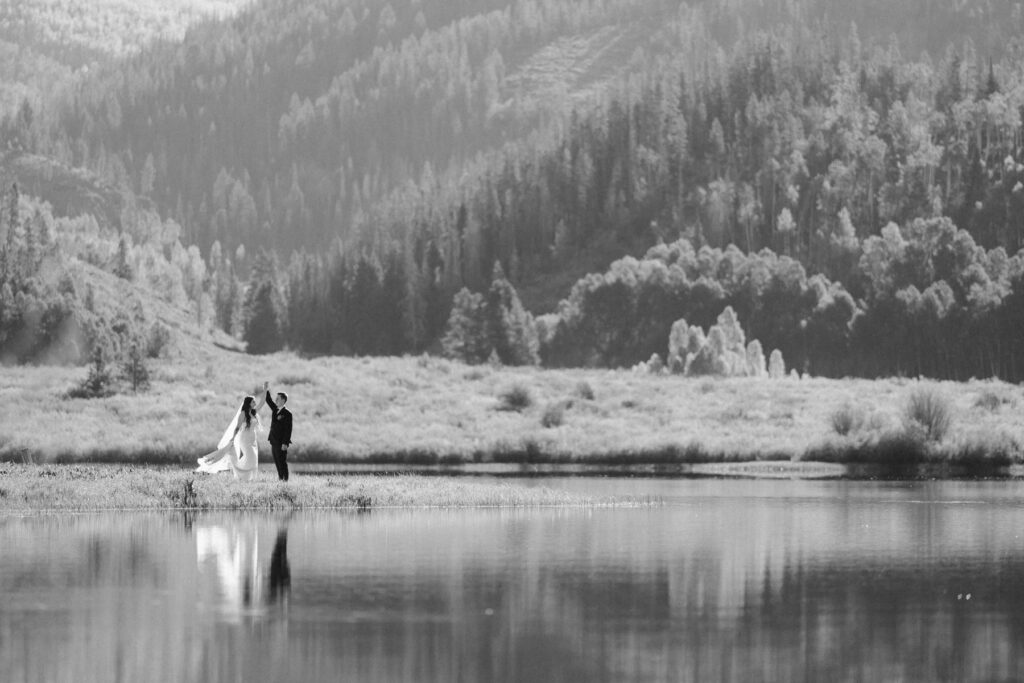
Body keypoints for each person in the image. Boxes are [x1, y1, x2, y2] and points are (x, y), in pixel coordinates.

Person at [195, 393, 265, 481]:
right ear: (248, 403)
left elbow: (262, 402)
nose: (255, 403)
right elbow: (237, 427)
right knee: (251, 456)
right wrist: (233, 438)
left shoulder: (253, 412)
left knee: (253, 458)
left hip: (253, 440)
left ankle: (250, 478)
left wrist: (265, 389)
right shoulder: (243, 414)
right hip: (245, 439)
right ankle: (243, 477)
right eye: (253, 401)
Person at [265, 381, 293, 481]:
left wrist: (285, 443)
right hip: (273, 440)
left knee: (282, 462)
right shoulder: (275, 409)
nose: (276, 400)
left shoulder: (287, 413)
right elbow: (268, 400)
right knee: (277, 461)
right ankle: (280, 478)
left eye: (278, 398)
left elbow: (288, 430)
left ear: (283, 400)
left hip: (281, 442)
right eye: (276, 398)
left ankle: (285, 480)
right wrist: (266, 389)